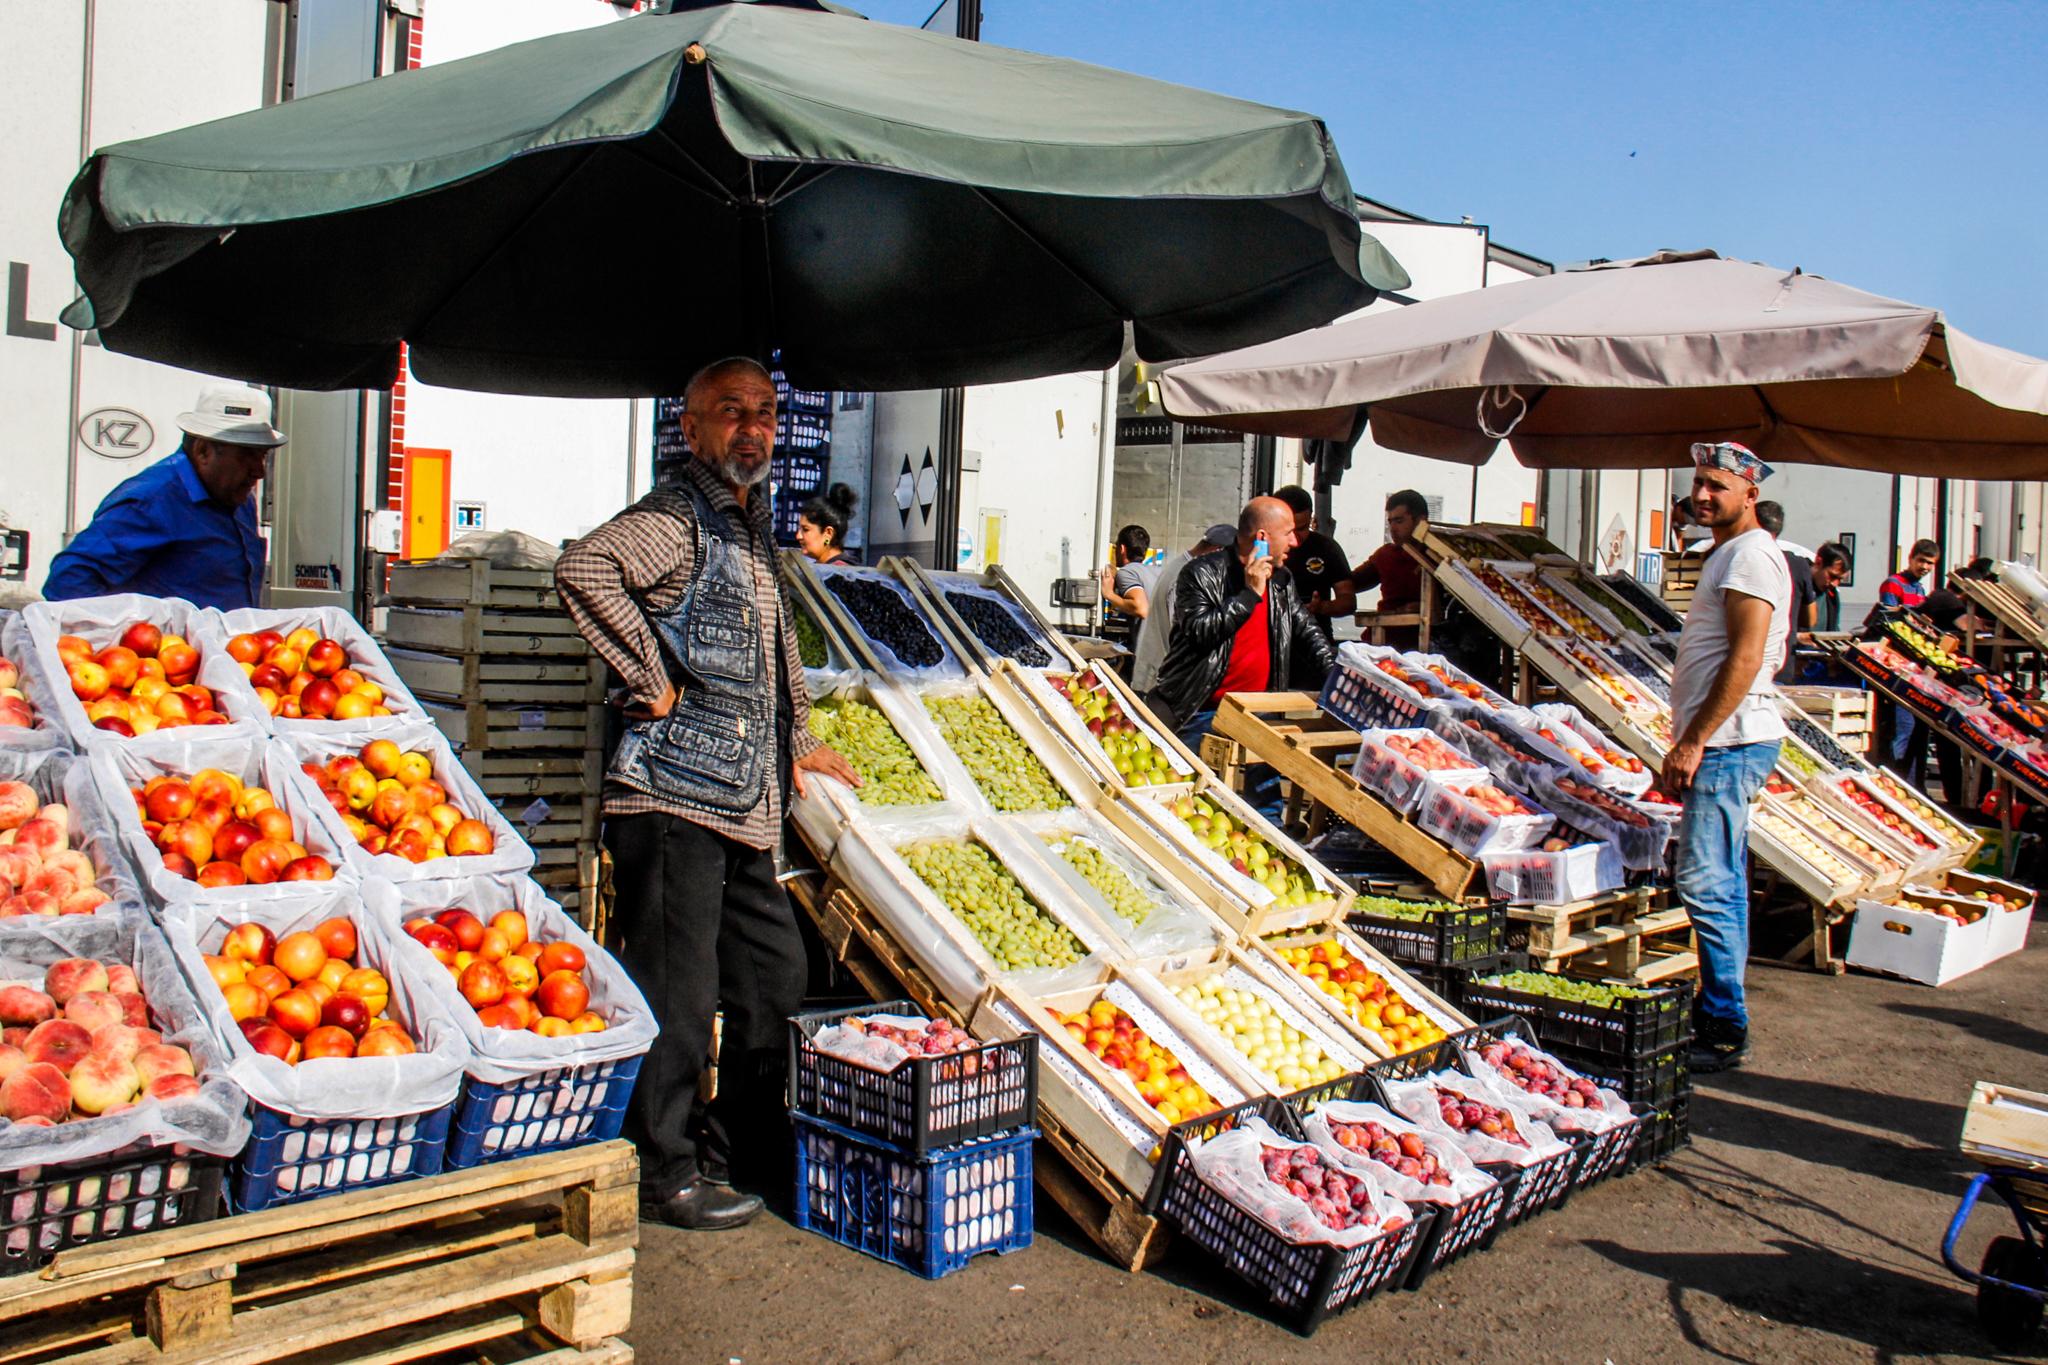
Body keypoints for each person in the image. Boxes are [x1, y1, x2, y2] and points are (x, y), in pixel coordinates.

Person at [555, 357, 859, 1232]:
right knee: (676, 994)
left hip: (746, 800)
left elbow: (777, 651)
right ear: (690, 428)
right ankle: (661, 1167)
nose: (754, 428)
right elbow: (586, 569)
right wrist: (651, 677)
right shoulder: (676, 517)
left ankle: (732, 1146)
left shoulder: (752, 524)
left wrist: (800, 738)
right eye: (733, 412)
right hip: (671, 797)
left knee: (775, 975)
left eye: (765, 412)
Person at [1662, 441, 1790, 1076]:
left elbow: (1747, 657)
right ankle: (1720, 1008)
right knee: (1726, 880)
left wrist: (1695, 739)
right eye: (1699, 483)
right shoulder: (1729, 554)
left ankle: (1723, 1023)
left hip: (1729, 743)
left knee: (1703, 880)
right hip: (1729, 739)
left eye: (1717, 485)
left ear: (1750, 495)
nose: (1704, 494)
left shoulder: (1750, 557)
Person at [43, 384, 281, 611]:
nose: (259, 471)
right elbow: (68, 581)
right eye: (247, 456)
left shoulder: (239, 499)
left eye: (262, 456)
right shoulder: (152, 501)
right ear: (203, 451)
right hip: (171, 651)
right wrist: (127, 640)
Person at [1147, 497, 1334, 755]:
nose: (1295, 541)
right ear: (1262, 537)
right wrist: (1249, 595)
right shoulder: (1201, 573)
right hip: (1200, 711)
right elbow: (1200, 632)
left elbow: (1307, 631)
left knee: (1265, 795)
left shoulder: (1281, 578)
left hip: (1259, 712)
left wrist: (1337, 678)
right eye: (1289, 532)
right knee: (1191, 789)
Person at [1314, 489, 1430, 649]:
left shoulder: (1438, 558)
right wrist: (1329, 554)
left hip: (1426, 646)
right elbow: (1350, 583)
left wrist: (1426, 606)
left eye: (1399, 521)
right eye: (1390, 522)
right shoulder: (1386, 554)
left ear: (1421, 521)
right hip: (1381, 643)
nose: (1393, 529)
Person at [1130, 525, 1234, 693]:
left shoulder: (1178, 565)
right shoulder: (1187, 576)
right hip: (1162, 684)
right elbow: (1185, 635)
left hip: (1156, 678)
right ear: (1217, 551)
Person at [1871, 539, 1939, 761]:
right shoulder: (1894, 584)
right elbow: (1891, 621)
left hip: (1914, 667)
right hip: (1898, 664)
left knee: (1915, 732)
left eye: (1930, 564)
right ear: (1911, 558)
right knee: (1903, 728)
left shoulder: (1919, 589)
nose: (1925, 567)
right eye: (1921, 561)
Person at [1271, 485, 1349, 641]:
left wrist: (1321, 607)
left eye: (1302, 528)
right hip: (1271, 639)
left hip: (1314, 640)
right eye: (1288, 530)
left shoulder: (1327, 548)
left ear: (1311, 518)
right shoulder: (1262, 548)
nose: (1294, 539)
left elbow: (1347, 600)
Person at [1755, 501, 1816, 684]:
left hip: (1742, 667)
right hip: (1780, 664)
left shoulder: (1738, 558)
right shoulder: (1798, 564)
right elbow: (1810, 619)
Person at [794, 483, 861, 565]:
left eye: (806, 529)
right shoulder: (821, 570)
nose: (798, 536)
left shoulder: (840, 574)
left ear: (828, 533)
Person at [1099, 524, 1156, 619]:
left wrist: (1109, 594)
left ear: (1122, 549)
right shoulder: (1155, 571)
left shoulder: (1127, 572)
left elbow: (1141, 609)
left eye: (1115, 547)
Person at [1811, 542, 1852, 633]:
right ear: (1818, 562)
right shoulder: (1796, 587)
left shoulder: (1832, 595)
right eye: (1832, 576)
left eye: (1840, 579)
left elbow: (1835, 629)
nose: (1835, 584)